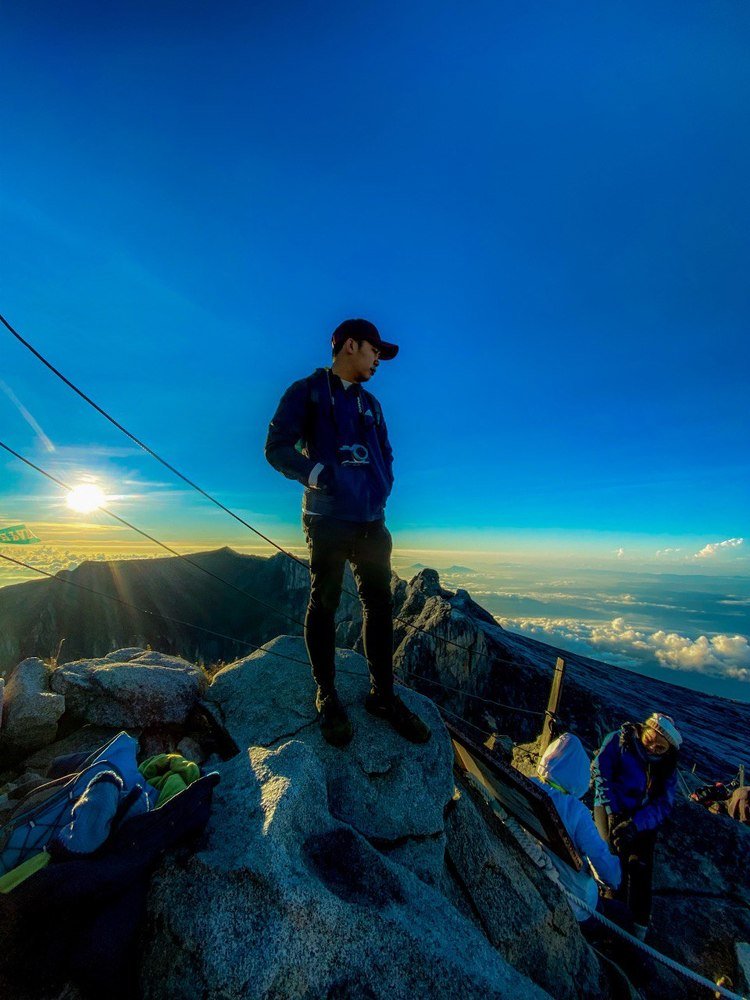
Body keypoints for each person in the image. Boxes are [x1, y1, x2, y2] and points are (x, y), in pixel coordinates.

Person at [265, 318, 431, 748]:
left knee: (380, 606)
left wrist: (382, 486)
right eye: (375, 350)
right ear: (350, 345)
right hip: (327, 520)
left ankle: (384, 696)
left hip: (372, 523)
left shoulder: (372, 405)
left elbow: (386, 454)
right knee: (324, 602)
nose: (379, 360)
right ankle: (328, 695)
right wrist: (315, 473)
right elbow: (276, 448)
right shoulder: (306, 392)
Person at [592, 712, 681, 939]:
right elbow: (600, 772)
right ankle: (610, 920)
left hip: (639, 819)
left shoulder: (667, 766)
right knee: (613, 858)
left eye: (660, 748)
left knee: (640, 867)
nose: (653, 749)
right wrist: (613, 814)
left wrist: (635, 825)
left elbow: (663, 804)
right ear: (644, 730)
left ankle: (638, 932)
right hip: (610, 806)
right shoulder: (619, 741)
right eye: (651, 741)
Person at [531, 733, 622, 925]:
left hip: (534, 871)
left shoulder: (527, 785)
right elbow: (607, 872)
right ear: (578, 773)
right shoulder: (576, 811)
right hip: (575, 902)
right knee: (623, 915)